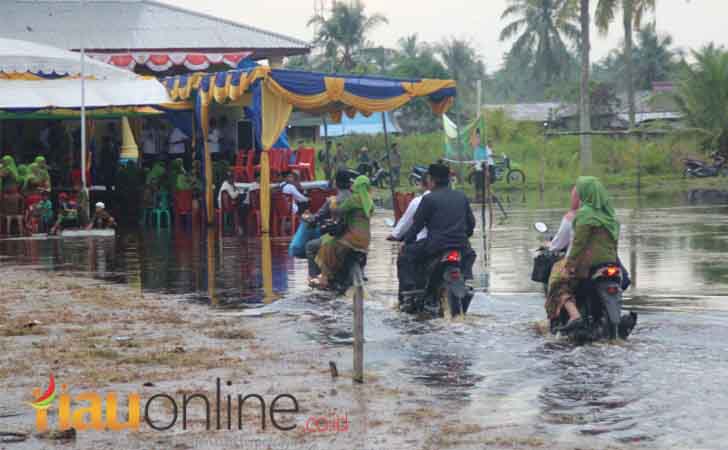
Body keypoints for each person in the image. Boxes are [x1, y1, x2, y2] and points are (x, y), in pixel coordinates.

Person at [546, 176, 620, 332]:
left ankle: (574, 315)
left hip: (586, 265)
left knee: (557, 282)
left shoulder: (584, 214)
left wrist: (569, 265)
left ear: (584, 194)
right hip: (611, 264)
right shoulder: (610, 215)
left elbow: (579, 243)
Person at [397, 164, 476, 298]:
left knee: (405, 256)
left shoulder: (428, 199)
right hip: (462, 246)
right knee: (470, 254)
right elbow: (471, 224)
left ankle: (408, 294)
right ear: (448, 179)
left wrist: (406, 242)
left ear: (431, 180)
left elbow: (416, 226)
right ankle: (467, 277)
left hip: (436, 246)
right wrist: (463, 237)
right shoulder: (461, 196)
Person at [311, 175, 374, 289]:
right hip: (366, 240)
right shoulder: (369, 200)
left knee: (327, 247)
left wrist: (332, 201)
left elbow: (339, 210)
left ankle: (324, 278)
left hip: (353, 238)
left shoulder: (355, 199)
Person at [304, 170, 353, 281]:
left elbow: (317, 217)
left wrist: (308, 219)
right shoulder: (357, 199)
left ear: (336, 183)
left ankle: (314, 278)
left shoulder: (332, 200)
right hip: (357, 240)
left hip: (338, 239)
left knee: (310, 246)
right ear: (350, 183)